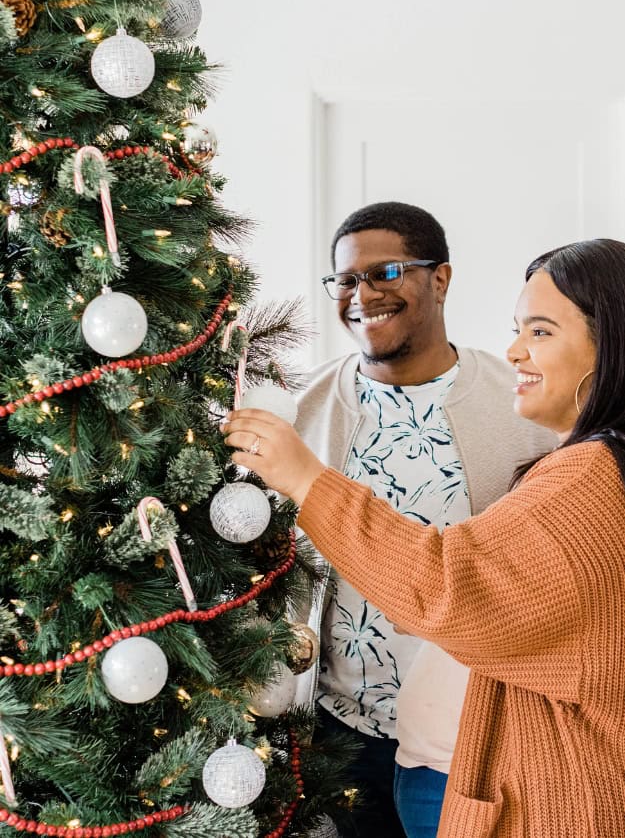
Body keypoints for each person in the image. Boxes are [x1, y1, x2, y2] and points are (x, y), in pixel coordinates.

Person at [224, 237, 625, 838]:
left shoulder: (589, 478)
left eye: (541, 332)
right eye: (519, 329)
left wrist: (306, 479)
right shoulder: (585, 466)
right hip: (361, 730)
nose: (516, 350)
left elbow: (450, 586)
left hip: (541, 798)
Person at [285, 202, 553, 837]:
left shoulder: (520, 408)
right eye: (346, 280)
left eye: (386, 272)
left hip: (468, 746)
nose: (362, 295)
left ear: (441, 278)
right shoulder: (307, 407)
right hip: (338, 735)